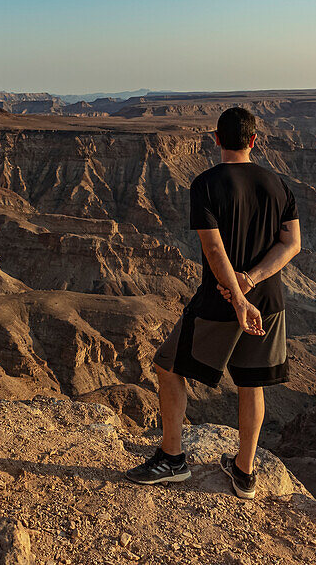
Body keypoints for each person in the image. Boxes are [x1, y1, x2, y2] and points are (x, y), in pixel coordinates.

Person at [125, 106, 301, 499]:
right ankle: (244, 472)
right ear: (255, 141)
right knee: (251, 383)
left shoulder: (205, 184)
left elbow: (213, 250)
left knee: (167, 365)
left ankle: (172, 460)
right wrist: (253, 282)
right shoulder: (278, 185)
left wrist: (238, 298)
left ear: (217, 140)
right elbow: (292, 243)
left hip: (221, 300)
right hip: (269, 301)